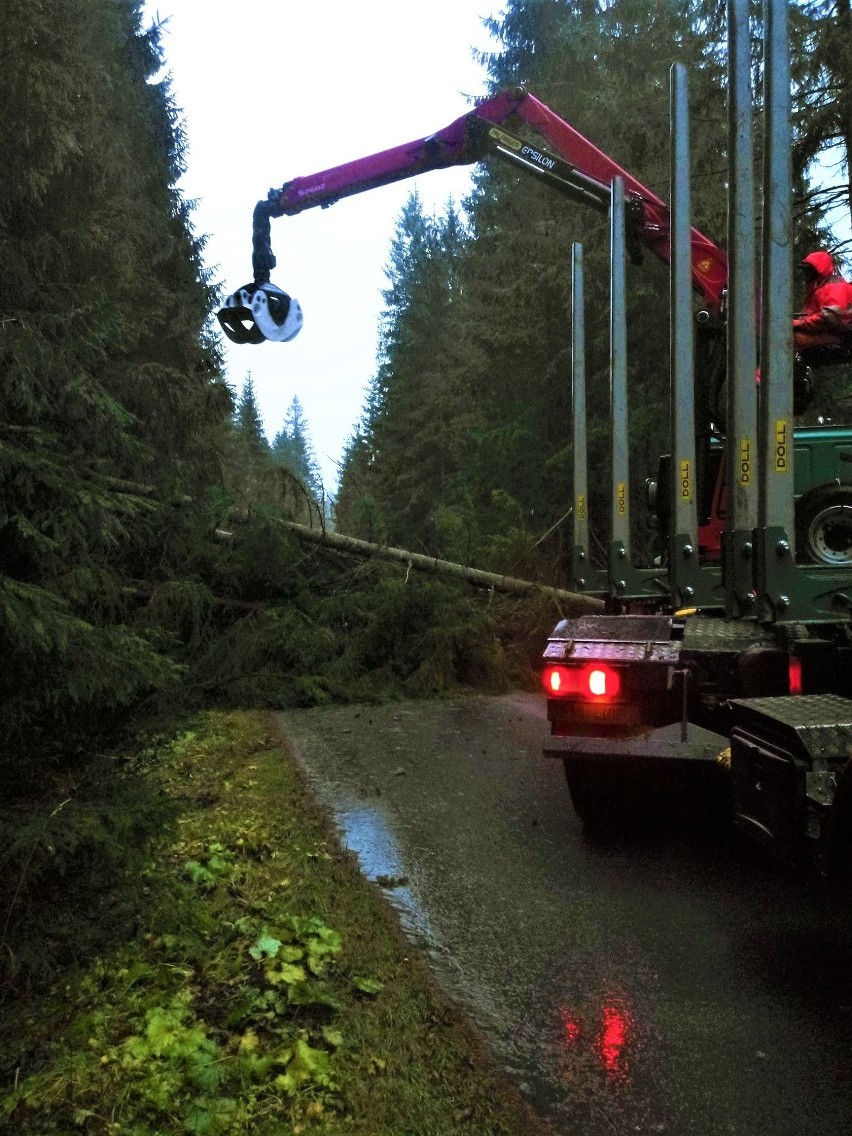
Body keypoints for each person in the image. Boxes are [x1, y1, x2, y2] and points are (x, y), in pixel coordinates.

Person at [792, 250, 852, 354]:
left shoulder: (834, 286)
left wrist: (796, 323)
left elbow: (829, 318)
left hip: (839, 336)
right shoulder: (818, 289)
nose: (806, 275)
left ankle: (768, 369)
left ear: (817, 271)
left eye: (809, 271)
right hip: (830, 333)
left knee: (786, 339)